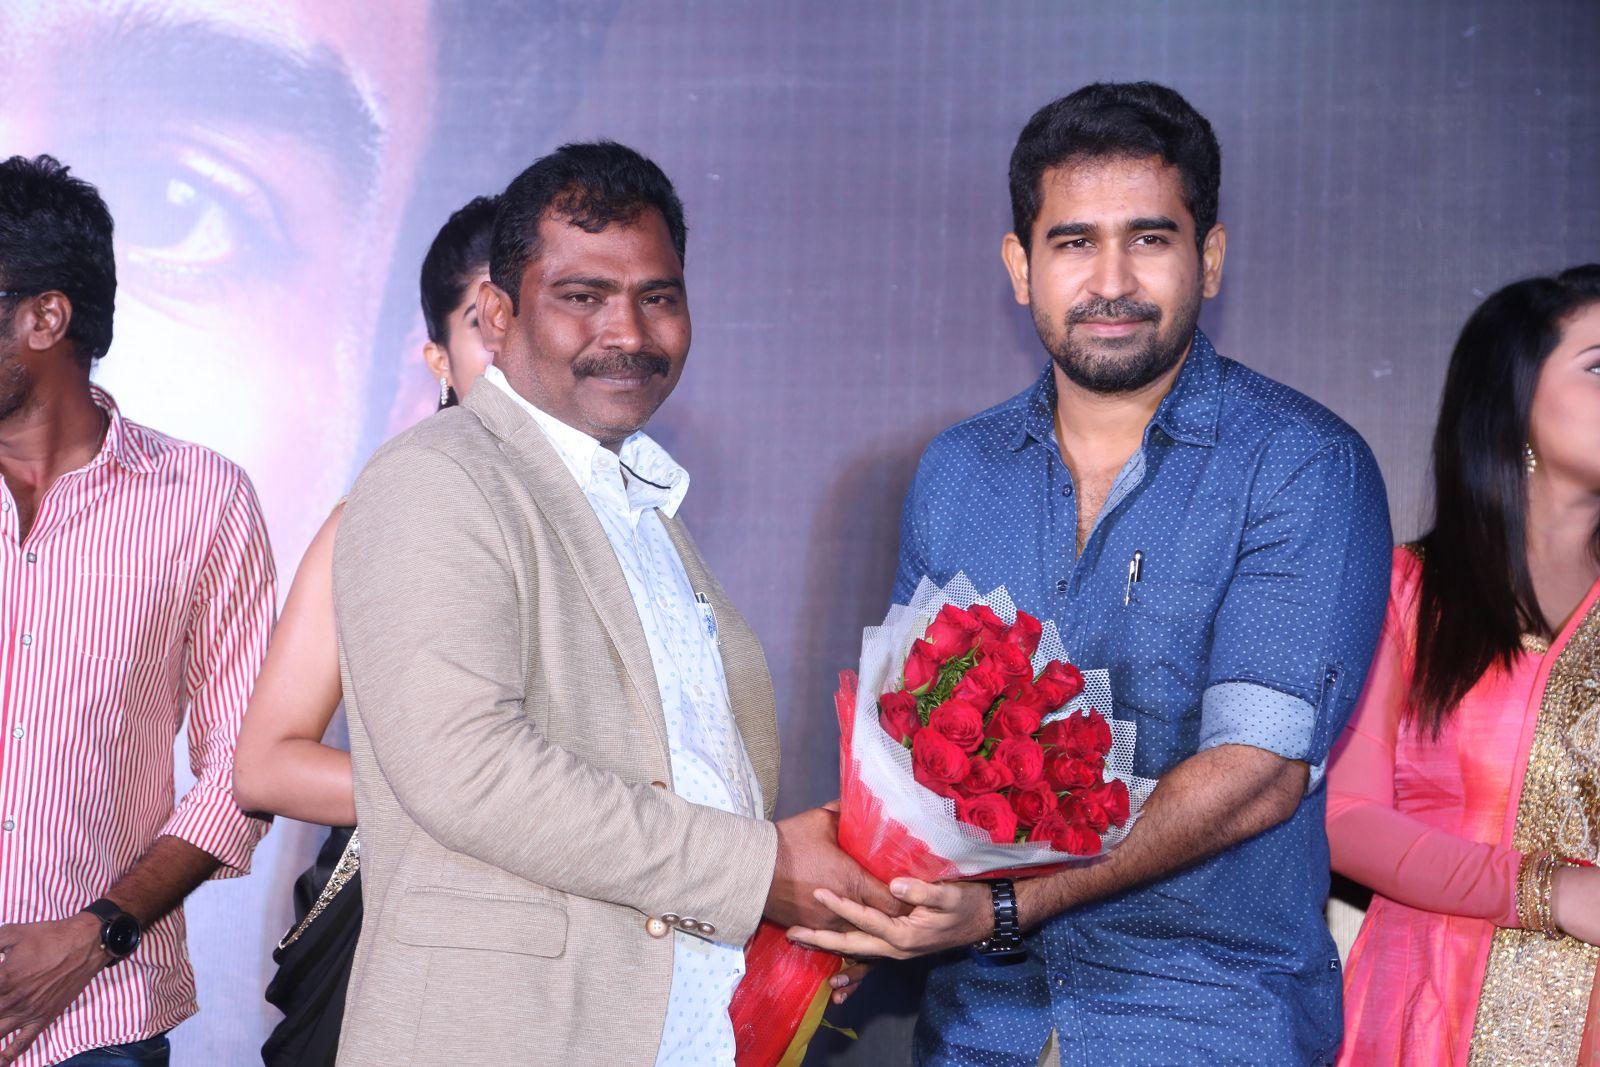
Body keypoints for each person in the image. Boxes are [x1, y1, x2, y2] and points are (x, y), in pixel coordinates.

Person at [786, 82, 1394, 1065]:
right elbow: (912, 755)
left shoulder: (1300, 465)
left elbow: (1258, 776)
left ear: (1210, 257)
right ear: (1020, 266)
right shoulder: (959, 473)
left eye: (1149, 239)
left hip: (1201, 1020)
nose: (1111, 280)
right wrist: (858, 894)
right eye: (1073, 242)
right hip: (979, 1028)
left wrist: (1006, 905)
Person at [331, 140, 896, 1065]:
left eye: (657, 297)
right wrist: (761, 871)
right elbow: (468, 770)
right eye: (583, 296)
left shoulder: (643, 507)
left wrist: (794, 911)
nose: (628, 333)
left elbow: (678, 782)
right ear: (498, 315)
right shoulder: (435, 478)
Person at [0, 156, 274, 1067]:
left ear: (45, 317)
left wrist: (96, 931)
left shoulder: (204, 500)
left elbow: (244, 770)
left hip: (96, 1022)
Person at [230, 193, 500, 1067]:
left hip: (599, 937)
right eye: (485, 322)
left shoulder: (633, 523)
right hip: (404, 937)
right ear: (438, 357)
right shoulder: (378, 518)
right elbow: (266, 763)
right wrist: (484, 801)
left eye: (539, 315)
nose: (515, 346)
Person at [1326, 266, 1600, 1064]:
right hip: (1428, 1002)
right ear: (1514, 396)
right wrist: (1551, 889)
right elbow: (1346, 820)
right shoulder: (1406, 591)